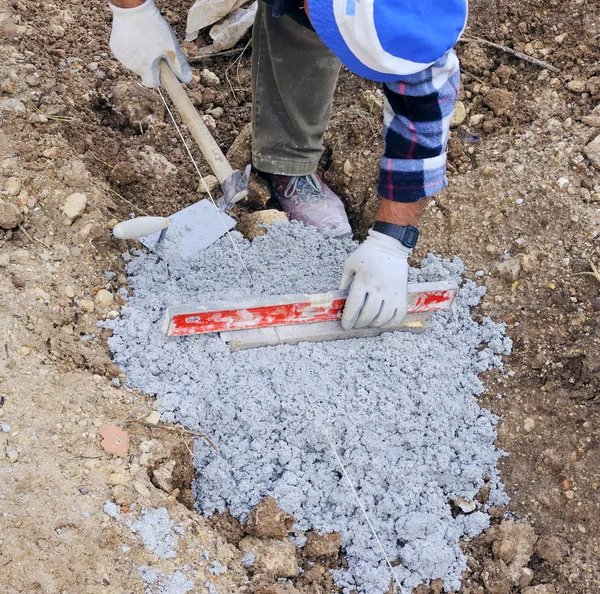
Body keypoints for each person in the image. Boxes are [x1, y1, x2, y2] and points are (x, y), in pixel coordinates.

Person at [108, 0, 466, 330]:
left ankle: (288, 160)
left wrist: (392, 242)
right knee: (305, 20)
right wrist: (133, 12)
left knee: (304, 26)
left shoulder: (424, 22)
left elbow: (424, 116)